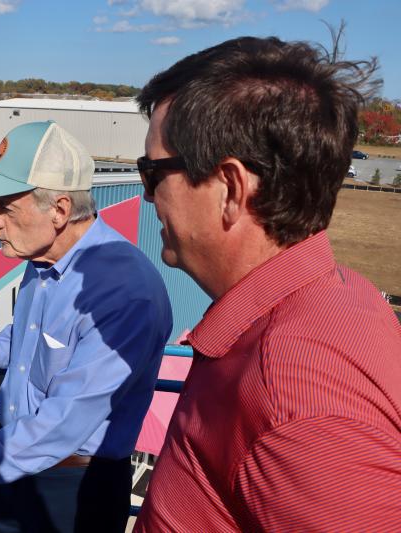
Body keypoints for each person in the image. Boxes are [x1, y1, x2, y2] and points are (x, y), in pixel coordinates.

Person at [133, 36, 401, 531]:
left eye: (152, 172)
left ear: (231, 189)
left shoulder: (291, 395)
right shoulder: (339, 296)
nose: (148, 197)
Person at [0, 121, 173, 532]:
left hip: (72, 492)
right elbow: (29, 336)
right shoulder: (45, 260)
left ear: (58, 210)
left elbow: (61, 427)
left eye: (5, 206)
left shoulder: (125, 294)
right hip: (12, 462)